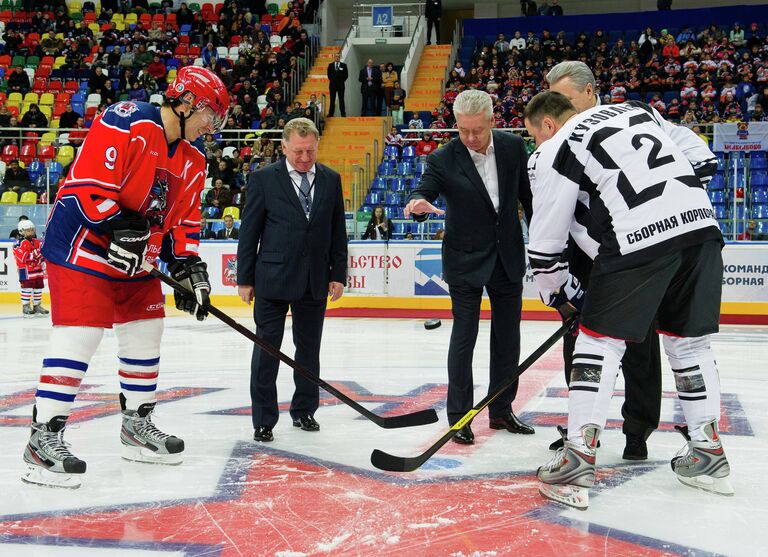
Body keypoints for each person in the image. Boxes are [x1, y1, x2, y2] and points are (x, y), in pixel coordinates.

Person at [20, 66, 230, 489]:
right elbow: (85, 188)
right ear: (185, 101)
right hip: (84, 244)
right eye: (210, 113)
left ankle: (137, 426)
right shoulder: (127, 119)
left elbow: (183, 224)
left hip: (136, 256)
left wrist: (188, 267)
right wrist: (118, 223)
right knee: (81, 334)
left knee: (147, 328)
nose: (212, 125)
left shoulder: (195, 161)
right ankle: (42, 440)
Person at [524, 91, 730, 510]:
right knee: (688, 344)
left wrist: (560, 296)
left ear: (547, 125)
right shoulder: (634, 109)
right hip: (701, 227)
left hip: (637, 238)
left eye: (533, 137)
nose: (535, 147)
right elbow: (703, 159)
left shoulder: (555, 149)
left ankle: (577, 460)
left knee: (597, 342)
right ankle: (708, 453)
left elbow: (544, 247)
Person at [545, 60, 719, 459]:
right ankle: (581, 429)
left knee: (630, 344)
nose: (561, 112)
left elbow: (701, 157)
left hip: (635, 246)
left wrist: (660, 204)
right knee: (582, 339)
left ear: (591, 92)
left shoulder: (637, 111)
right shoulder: (571, 132)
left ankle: (635, 432)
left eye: (567, 100)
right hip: (595, 248)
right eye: (555, 102)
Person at [404, 89, 534, 445]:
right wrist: (418, 202)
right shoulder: (444, 158)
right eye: (463, 130)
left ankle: (501, 410)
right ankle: (459, 416)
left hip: (506, 256)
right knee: (465, 336)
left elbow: (528, 198)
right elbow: (424, 190)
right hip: (464, 260)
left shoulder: (511, 148)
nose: (471, 138)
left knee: (507, 338)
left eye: (477, 130)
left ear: (492, 121)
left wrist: (544, 242)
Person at [236, 118, 348, 443]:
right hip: (271, 278)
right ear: (284, 147)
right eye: (298, 151)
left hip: (315, 279)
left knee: (309, 349)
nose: (304, 158)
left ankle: (304, 410)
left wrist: (337, 274)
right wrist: (245, 279)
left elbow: (336, 231)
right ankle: (264, 419)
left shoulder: (331, 179)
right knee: (267, 350)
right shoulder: (262, 180)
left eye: (310, 151)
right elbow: (249, 233)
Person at [13, 219, 49, 318]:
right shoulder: (19, 243)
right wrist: (37, 253)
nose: (31, 232)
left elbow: (43, 254)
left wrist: (39, 256)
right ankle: (26, 306)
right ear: (21, 231)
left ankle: (37, 306)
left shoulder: (36, 241)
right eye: (28, 230)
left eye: (32, 229)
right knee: (27, 288)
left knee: (38, 288)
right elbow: (25, 257)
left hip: (37, 269)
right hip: (25, 270)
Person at [327, 52, 348, 117]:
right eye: (336, 56)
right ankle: (331, 114)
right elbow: (329, 75)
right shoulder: (330, 65)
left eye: (338, 57)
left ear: (340, 58)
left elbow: (346, 75)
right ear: (334, 58)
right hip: (332, 85)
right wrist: (334, 81)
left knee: (341, 100)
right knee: (332, 100)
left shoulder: (344, 65)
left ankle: (343, 114)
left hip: (341, 85)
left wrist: (341, 81)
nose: (337, 58)